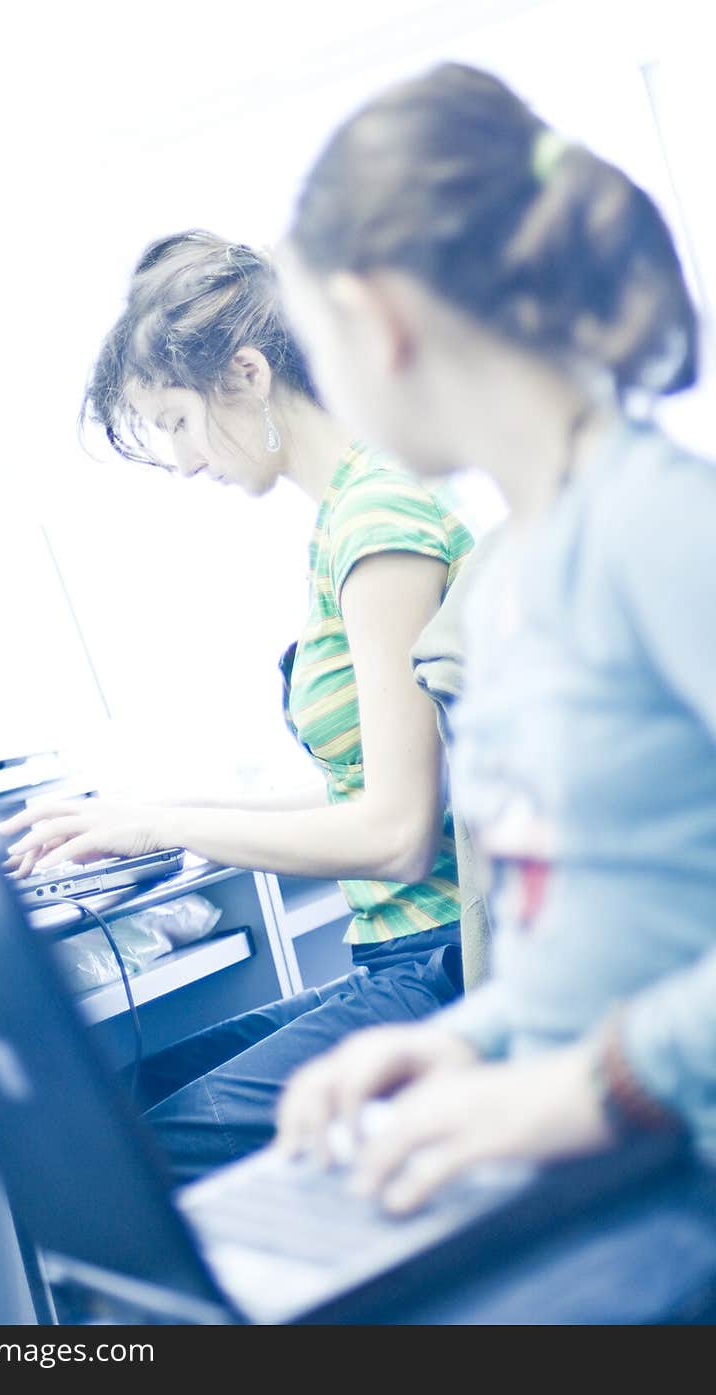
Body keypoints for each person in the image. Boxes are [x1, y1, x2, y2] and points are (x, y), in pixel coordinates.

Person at [270, 62, 716, 1322]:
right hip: (607, 1148)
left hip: (674, 1161)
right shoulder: (511, 565)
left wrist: (598, 1083)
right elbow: (587, 903)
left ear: (377, 319)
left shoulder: (660, 531)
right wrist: (474, 1036)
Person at [0, 230, 475, 1183]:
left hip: (447, 963)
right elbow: (365, 789)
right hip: (402, 956)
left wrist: (174, 824)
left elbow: (394, 832)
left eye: (175, 423)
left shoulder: (380, 526)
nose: (178, 462)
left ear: (248, 375)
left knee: (151, 1154)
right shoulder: (346, 515)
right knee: (127, 1099)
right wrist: (138, 821)